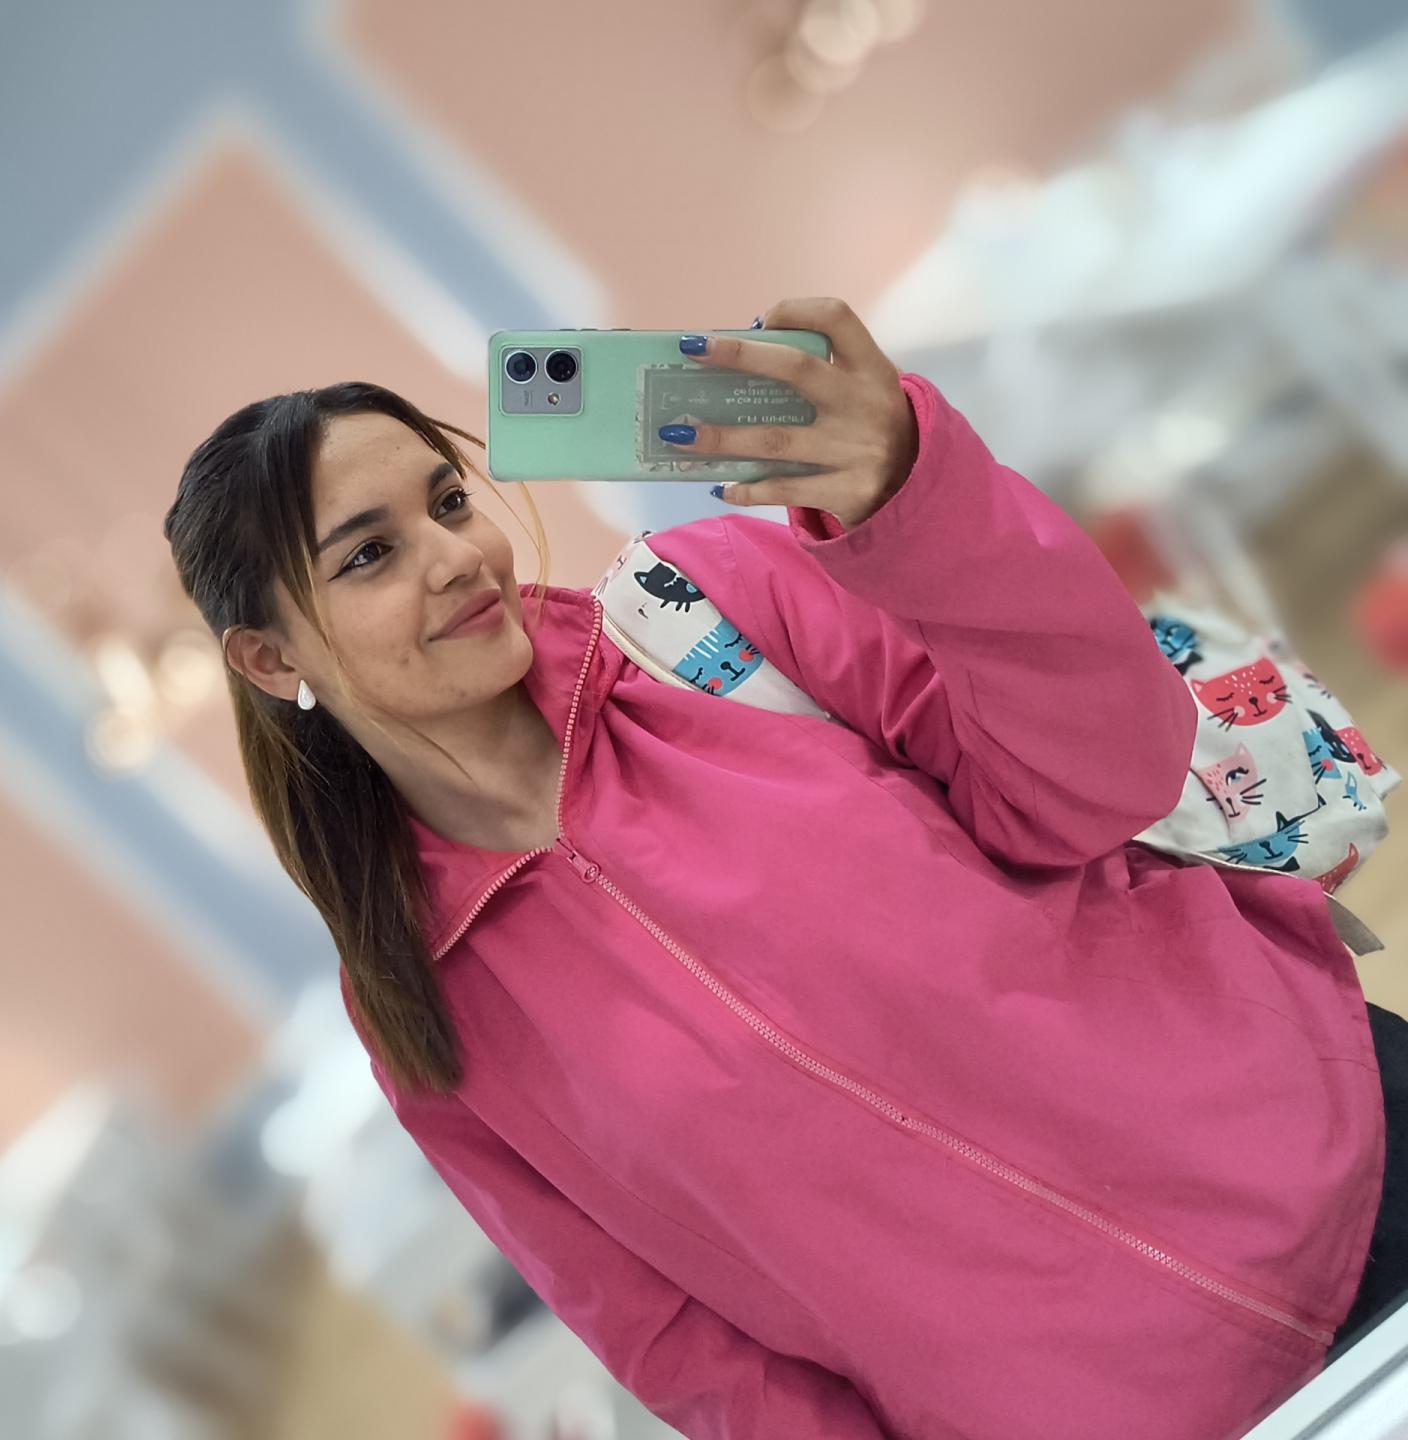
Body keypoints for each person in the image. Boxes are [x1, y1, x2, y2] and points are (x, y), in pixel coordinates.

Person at [163, 296, 1399, 1438]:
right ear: (273, 662)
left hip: (1343, 1161)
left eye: (446, 502)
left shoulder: (714, 605)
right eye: (367, 556)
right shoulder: (420, 1000)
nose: (452, 558)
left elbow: (1106, 775)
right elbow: (677, 1340)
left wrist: (917, 500)